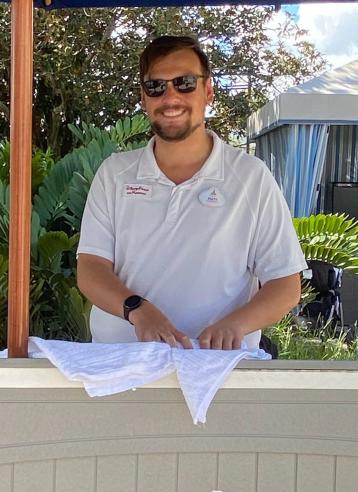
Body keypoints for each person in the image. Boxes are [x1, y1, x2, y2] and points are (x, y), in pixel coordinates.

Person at [76, 35, 306, 350]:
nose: (170, 97)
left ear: (207, 91)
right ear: (144, 99)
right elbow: (90, 269)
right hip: (120, 365)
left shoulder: (251, 178)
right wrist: (137, 310)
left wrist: (235, 324)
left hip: (217, 367)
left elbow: (285, 284)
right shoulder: (114, 174)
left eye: (184, 83)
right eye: (156, 86)